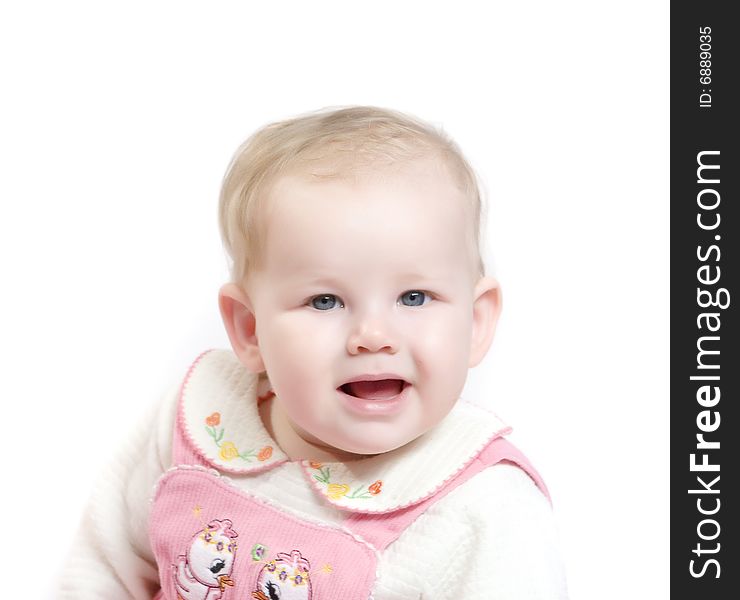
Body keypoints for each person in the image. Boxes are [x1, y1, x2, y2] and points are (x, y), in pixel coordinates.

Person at [60, 106, 568, 599]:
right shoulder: (202, 419)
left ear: (475, 322)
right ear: (250, 329)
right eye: (325, 301)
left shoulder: (486, 510)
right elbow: (104, 568)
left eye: (414, 298)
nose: (372, 335)